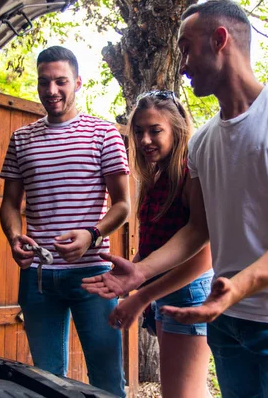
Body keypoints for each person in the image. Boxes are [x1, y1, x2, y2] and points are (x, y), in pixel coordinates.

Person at [82, 0, 268, 397]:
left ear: (220, 40)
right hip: (228, 323)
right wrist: (142, 273)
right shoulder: (203, 142)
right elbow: (197, 229)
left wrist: (237, 286)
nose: (181, 63)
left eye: (186, 47)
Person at [0, 45, 130, 397]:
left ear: (78, 83)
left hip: (93, 277)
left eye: (60, 81)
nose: (51, 91)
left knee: (107, 380)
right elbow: (9, 205)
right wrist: (14, 237)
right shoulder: (21, 138)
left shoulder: (104, 134)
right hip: (38, 279)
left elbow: (123, 205)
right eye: (44, 82)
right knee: (46, 381)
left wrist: (92, 234)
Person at [108, 90, 213, 398]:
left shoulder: (187, 173)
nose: (144, 140)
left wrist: (142, 295)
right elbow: (156, 245)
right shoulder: (155, 176)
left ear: (177, 131)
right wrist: (129, 276)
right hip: (165, 291)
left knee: (183, 393)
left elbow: (203, 256)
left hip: (188, 291)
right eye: (138, 131)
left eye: (155, 131)